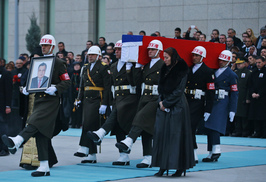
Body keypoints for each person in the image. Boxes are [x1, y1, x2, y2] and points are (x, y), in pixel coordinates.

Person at [1, 34, 71, 177]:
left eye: (46, 45)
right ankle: (44, 166)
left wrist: (56, 88)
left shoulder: (58, 62)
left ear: (52, 47)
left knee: (34, 122)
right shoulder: (37, 62)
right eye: (42, 45)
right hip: (39, 99)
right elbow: (34, 80)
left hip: (51, 100)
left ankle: (17, 140)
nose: (43, 47)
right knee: (41, 133)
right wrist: (28, 89)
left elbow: (67, 81)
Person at [87, 40, 138, 166]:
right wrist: (108, 102)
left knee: (117, 117)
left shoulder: (131, 64)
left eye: (119, 49)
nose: (116, 52)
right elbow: (110, 86)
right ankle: (123, 155)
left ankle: (101, 133)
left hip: (130, 99)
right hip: (118, 99)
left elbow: (135, 83)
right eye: (115, 49)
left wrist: (129, 70)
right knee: (118, 126)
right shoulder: (114, 66)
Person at [115, 40, 165, 168]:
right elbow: (136, 83)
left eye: (153, 50)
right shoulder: (147, 65)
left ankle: (129, 140)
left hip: (155, 98)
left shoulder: (163, 65)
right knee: (146, 129)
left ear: (159, 51)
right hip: (144, 97)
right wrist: (136, 68)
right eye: (149, 49)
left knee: (141, 118)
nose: (150, 51)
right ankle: (148, 157)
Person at [152, 47, 195, 177]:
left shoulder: (182, 70)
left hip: (178, 107)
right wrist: (161, 102)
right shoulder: (164, 68)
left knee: (175, 137)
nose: (164, 60)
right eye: (163, 57)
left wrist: (165, 103)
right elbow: (160, 87)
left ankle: (179, 167)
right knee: (160, 135)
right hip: (164, 104)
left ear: (173, 57)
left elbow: (179, 91)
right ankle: (162, 166)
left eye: (166, 57)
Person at [73, 46, 111, 163]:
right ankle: (92, 154)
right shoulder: (85, 68)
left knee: (88, 123)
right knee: (90, 125)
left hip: (97, 99)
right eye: (89, 55)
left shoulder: (103, 68)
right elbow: (82, 85)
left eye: (93, 55)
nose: (90, 57)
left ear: (99, 56)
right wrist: (78, 98)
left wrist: (105, 103)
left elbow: (107, 87)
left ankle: (84, 147)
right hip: (87, 99)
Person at [203, 50, 238, 162]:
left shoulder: (232, 75)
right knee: (209, 126)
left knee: (215, 125)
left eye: (224, 60)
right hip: (213, 100)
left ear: (228, 62)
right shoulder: (214, 71)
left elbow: (235, 93)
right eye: (220, 59)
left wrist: (233, 109)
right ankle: (211, 151)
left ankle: (216, 149)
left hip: (223, 101)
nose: (221, 62)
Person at [185, 46, 215, 163]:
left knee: (191, 126)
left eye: (197, 56)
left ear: (202, 57)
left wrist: (208, 109)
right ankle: (191, 151)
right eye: (193, 55)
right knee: (187, 127)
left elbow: (211, 92)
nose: (194, 58)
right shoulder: (189, 69)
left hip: (198, 102)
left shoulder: (208, 71)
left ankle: (193, 151)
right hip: (187, 99)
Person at [232, 57, 252, 137]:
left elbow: (249, 87)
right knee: (237, 115)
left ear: (245, 64)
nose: (238, 65)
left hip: (243, 96)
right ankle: (238, 130)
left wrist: (248, 97)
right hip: (237, 96)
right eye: (237, 64)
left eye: (240, 64)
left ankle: (245, 131)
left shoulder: (248, 73)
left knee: (244, 115)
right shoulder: (236, 72)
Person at [248, 56, 266, 138]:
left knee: (263, 116)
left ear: (264, 62)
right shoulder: (254, 72)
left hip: (263, 98)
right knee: (255, 115)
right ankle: (257, 132)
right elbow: (250, 84)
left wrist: (260, 93)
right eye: (257, 63)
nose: (258, 64)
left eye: (259, 62)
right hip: (254, 97)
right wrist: (252, 93)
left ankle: (264, 133)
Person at [0, 64, 13, 156]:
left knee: (3, 127)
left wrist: (8, 105)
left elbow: (9, 90)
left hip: (3, 105)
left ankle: (4, 148)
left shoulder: (6, 73)